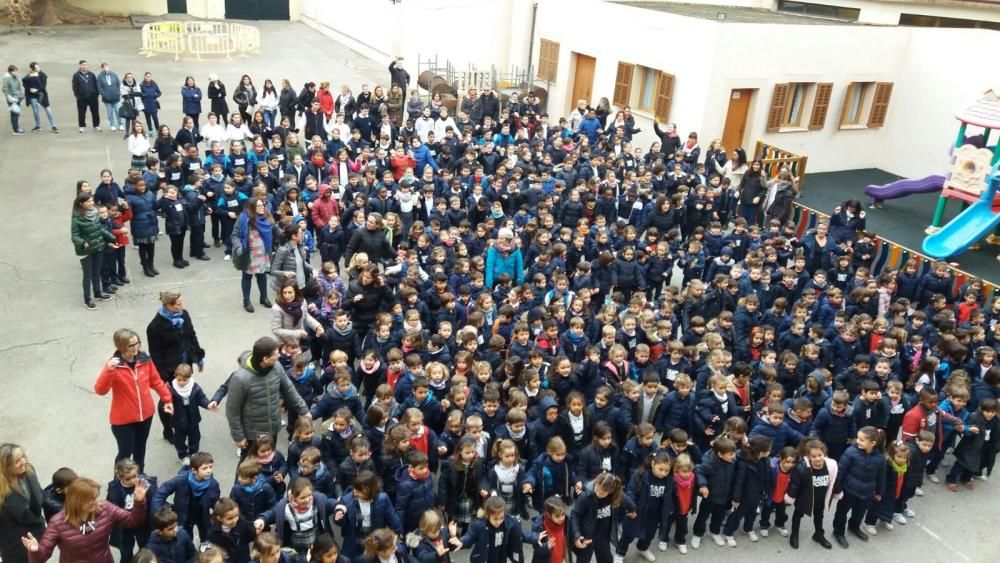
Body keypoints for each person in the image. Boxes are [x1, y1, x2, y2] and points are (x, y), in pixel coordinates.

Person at [94, 328, 174, 472]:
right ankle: (118, 483)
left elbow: (155, 381)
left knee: (140, 449)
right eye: (131, 345)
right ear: (121, 346)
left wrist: (167, 399)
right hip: (123, 420)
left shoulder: (144, 360)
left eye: (137, 343)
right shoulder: (114, 365)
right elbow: (100, 390)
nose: (136, 347)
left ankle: (139, 475)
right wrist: (108, 370)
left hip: (145, 415)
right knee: (125, 452)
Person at [21, 477, 149, 563]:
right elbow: (42, 556)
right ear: (76, 501)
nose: (96, 502)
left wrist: (139, 502)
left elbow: (133, 520)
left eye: (95, 497)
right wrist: (35, 551)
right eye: (90, 499)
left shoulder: (105, 508)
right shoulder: (57, 522)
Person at [225, 336, 312, 458]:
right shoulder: (240, 378)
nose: (279, 356)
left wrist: (304, 410)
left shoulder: (276, 367)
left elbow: (289, 389)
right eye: (276, 354)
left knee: (269, 460)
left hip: (272, 428)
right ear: (265, 359)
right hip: (253, 434)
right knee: (249, 467)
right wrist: (238, 436)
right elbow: (232, 410)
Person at [147, 289, 206, 442]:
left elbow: (191, 336)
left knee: (185, 393)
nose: (181, 307)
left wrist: (199, 357)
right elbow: (156, 355)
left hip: (185, 364)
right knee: (167, 399)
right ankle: (168, 429)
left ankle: (184, 420)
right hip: (170, 370)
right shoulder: (155, 327)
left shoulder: (184, 315)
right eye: (178, 304)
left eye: (181, 303)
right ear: (168, 305)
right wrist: (164, 378)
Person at [0, 444, 46, 563]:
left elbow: (39, 495)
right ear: (5, 467)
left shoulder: (29, 471)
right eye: (17, 461)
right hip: (15, 547)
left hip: (38, 535)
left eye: (23, 457)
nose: (23, 462)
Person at [71, 192, 116, 309]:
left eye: (92, 201)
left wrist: (111, 238)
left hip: (98, 246)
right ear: (81, 204)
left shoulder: (95, 213)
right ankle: (87, 300)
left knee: (97, 271)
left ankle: (98, 293)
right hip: (86, 251)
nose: (92, 203)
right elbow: (74, 235)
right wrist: (82, 242)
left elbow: (100, 229)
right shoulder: (77, 218)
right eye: (88, 202)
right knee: (88, 275)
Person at [234, 197, 275, 312]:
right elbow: (235, 235)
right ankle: (246, 300)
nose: (262, 207)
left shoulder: (267, 216)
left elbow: (274, 228)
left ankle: (264, 297)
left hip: (263, 253)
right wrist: (238, 247)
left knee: (262, 275)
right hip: (248, 253)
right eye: (259, 206)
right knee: (247, 276)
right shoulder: (243, 218)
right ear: (251, 208)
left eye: (263, 205)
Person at [21, 62, 57, 132]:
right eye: (35, 67)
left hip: (42, 94)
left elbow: (43, 86)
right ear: (32, 68)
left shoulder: (43, 75)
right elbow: (25, 84)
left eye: (37, 67)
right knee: (35, 111)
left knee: (48, 110)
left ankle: (53, 126)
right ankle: (38, 126)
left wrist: (36, 90)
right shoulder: (29, 75)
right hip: (32, 95)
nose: (37, 68)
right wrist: (30, 89)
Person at [71, 59, 101, 132]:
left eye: (86, 65)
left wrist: (96, 94)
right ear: (80, 66)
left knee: (95, 112)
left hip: (93, 97)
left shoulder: (91, 74)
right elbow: (74, 86)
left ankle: (96, 125)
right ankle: (82, 126)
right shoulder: (76, 75)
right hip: (82, 98)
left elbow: (96, 84)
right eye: (83, 65)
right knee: (81, 113)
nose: (85, 66)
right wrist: (77, 96)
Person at [97, 63, 122, 132]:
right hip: (107, 98)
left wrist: (118, 92)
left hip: (115, 97)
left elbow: (118, 83)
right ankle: (112, 125)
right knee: (110, 112)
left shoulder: (113, 74)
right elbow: (99, 86)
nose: (105, 68)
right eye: (104, 67)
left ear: (108, 67)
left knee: (118, 111)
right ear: (102, 68)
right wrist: (103, 94)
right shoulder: (100, 76)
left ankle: (120, 124)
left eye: (106, 66)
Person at [119, 72, 143, 138]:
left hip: (135, 102)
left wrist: (132, 94)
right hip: (127, 103)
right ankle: (127, 133)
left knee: (134, 118)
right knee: (127, 118)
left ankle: (133, 132)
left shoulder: (136, 83)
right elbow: (124, 94)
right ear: (126, 78)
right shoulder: (123, 84)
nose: (130, 78)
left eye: (131, 77)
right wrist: (132, 94)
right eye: (128, 77)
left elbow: (139, 92)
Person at [3, 64, 26, 134]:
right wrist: (9, 97)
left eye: (16, 71)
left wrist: (21, 96)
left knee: (16, 113)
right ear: (10, 71)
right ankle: (16, 130)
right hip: (11, 98)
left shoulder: (15, 77)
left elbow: (18, 88)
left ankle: (16, 128)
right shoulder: (7, 78)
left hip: (17, 98)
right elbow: (5, 88)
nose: (16, 72)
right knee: (15, 113)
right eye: (14, 71)